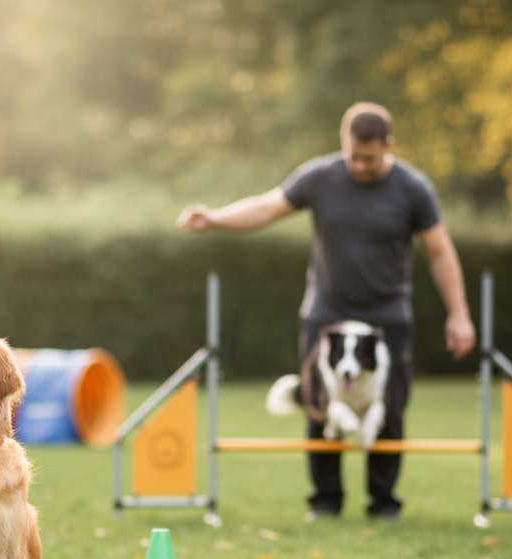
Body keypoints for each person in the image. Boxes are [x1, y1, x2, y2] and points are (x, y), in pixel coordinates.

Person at [177, 102, 476, 520]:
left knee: (389, 410)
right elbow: (267, 207)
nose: (360, 165)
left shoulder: (413, 188)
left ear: (388, 146)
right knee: (320, 408)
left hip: (387, 317)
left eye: (369, 158)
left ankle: (383, 502)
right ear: (343, 142)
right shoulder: (319, 177)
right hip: (326, 314)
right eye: (353, 156)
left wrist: (458, 314)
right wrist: (215, 218)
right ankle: (325, 501)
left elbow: (440, 251)